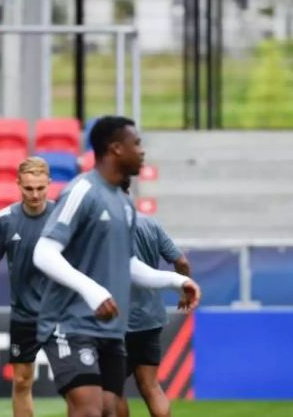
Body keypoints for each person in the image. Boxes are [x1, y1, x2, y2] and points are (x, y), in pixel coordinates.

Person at [32, 116, 201, 417]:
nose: (142, 151)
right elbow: (43, 252)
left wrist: (176, 281)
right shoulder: (82, 191)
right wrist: (92, 291)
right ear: (115, 149)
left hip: (110, 329)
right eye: (136, 143)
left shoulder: (124, 205)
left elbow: (129, 265)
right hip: (70, 324)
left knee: (111, 409)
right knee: (89, 410)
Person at [0, 156, 55, 417]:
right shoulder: (6, 219)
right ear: (18, 185)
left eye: (40, 188)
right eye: (28, 188)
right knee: (22, 381)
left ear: (49, 184)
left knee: (75, 385)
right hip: (24, 315)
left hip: (61, 314)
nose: (35, 194)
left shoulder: (62, 217)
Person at [116, 178, 190, 417]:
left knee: (114, 389)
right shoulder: (150, 225)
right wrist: (183, 289)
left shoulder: (106, 228)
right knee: (150, 386)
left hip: (117, 320)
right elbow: (181, 261)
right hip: (150, 318)